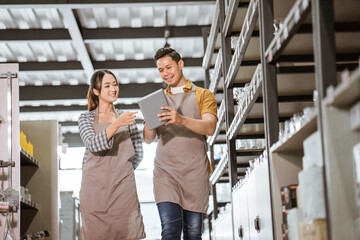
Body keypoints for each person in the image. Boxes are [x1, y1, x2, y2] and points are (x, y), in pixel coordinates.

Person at [143, 48, 217, 240]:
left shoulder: (203, 95)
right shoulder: (156, 100)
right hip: (165, 173)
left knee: (193, 235)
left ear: (180, 64)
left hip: (195, 173)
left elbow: (210, 127)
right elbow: (148, 139)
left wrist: (181, 120)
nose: (165, 73)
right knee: (170, 231)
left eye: (169, 67)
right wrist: (149, 118)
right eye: (160, 70)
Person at [78, 69, 146, 240]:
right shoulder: (85, 118)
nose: (113, 89)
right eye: (107, 85)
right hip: (94, 190)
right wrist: (116, 124)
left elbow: (137, 152)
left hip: (123, 189)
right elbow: (93, 144)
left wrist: (122, 170)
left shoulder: (127, 118)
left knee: (127, 233)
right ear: (96, 91)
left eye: (115, 84)